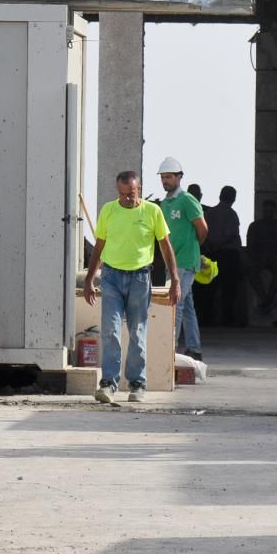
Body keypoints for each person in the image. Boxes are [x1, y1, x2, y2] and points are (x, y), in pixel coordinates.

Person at [83, 171, 180, 404]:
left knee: (137, 331)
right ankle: (108, 383)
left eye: (131, 194)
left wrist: (174, 280)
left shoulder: (152, 212)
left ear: (140, 189)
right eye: (122, 194)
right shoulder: (109, 210)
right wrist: (89, 279)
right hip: (111, 277)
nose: (127, 199)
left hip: (139, 278)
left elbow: (165, 246)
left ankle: (137, 383)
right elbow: (98, 246)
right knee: (111, 330)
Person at [157, 157, 208, 362]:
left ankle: (171, 350)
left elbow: (202, 228)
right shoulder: (164, 204)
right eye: (163, 177)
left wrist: (193, 248)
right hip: (173, 262)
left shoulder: (187, 200)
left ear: (179, 177)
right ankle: (194, 349)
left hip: (186, 262)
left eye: (169, 176)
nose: (165, 180)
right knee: (186, 306)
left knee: (175, 303)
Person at [203, 185, 244, 326]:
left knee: (210, 289)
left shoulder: (209, 213)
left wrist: (211, 246)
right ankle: (228, 320)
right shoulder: (232, 215)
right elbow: (231, 235)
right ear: (233, 198)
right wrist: (219, 245)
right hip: (228, 255)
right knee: (228, 289)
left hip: (210, 254)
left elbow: (203, 234)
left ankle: (207, 319)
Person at [246, 199, 277, 312]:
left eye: (270, 211)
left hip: (276, 259)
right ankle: (267, 299)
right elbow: (250, 246)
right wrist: (260, 257)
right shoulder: (254, 226)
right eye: (266, 211)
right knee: (250, 269)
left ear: (275, 212)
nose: (268, 214)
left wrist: (272, 257)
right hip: (259, 258)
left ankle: (267, 299)